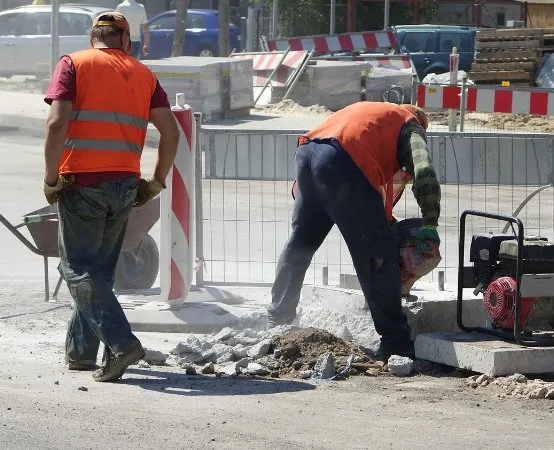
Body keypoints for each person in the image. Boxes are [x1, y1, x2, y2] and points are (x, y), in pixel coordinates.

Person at [42, 11, 179, 382]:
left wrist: (51, 177)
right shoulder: (144, 74)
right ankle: (81, 354)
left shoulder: (73, 64)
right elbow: (171, 132)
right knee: (98, 271)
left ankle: (121, 344)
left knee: (77, 269)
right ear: (125, 41)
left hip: (82, 183)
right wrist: (156, 181)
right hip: (125, 185)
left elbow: (57, 123)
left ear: (93, 38)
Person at [267, 102, 441, 361]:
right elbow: (424, 170)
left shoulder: (374, 117)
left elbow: (371, 202)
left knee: (301, 244)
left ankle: (277, 323)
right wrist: (430, 221)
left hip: (308, 155)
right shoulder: (410, 125)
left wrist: (385, 227)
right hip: (344, 160)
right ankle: (396, 343)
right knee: (376, 256)